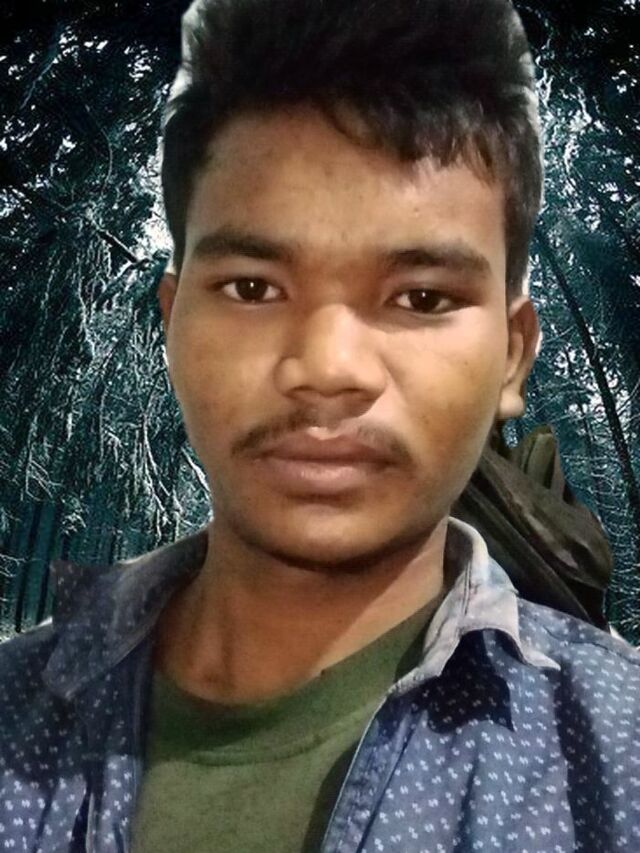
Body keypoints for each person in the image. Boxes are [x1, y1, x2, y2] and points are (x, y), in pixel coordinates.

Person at [1, 0, 639, 850]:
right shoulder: (15, 720)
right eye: (254, 287)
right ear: (171, 325)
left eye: (421, 297)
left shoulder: (617, 759)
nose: (329, 366)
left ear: (512, 357)